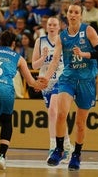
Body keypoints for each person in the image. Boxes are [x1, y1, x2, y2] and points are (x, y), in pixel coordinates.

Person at [41, 0, 98, 171]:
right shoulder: (62, 36)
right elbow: (55, 61)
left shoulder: (88, 31)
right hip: (68, 78)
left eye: (76, 12)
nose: (73, 14)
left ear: (81, 16)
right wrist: (46, 78)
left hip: (86, 80)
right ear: (66, 14)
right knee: (61, 114)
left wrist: (85, 54)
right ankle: (59, 149)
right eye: (70, 12)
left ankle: (76, 154)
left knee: (80, 123)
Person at [0, 30, 46, 172]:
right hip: (4, 88)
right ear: (13, 44)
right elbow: (30, 82)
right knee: (6, 122)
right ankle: (1, 157)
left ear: (0, 42)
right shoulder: (18, 57)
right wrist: (41, 85)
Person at [32, 16, 73, 162]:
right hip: (45, 82)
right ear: (46, 26)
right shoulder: (40, 41)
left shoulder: (64, 40)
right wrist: (43, 57)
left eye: (54, 24)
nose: (51, 26)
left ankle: (53, 146)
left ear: (59, 26)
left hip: (61, 80)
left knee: (53, 111)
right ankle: (67, 146)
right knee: (57, 115)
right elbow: (34, 66)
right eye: (49, 24)